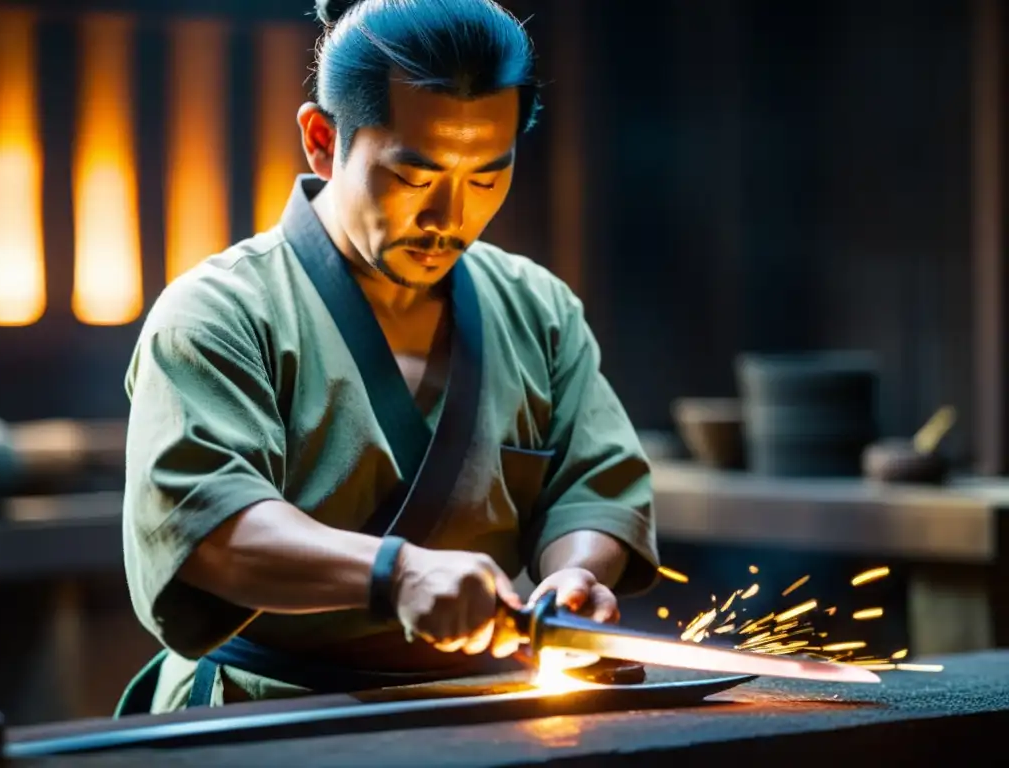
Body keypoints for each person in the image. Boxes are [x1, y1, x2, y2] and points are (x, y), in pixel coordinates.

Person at [117, 0, 660, 715]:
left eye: (486, 177)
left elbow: (592, 486)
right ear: (321, 139)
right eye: (413, 176)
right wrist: (394, 573)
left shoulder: (537, 308)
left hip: (480, 710)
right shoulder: (218, 314)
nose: (449, 218)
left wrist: (575, 578)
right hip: (263, 714)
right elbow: (208, 526)